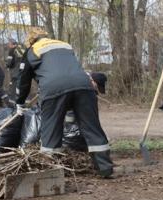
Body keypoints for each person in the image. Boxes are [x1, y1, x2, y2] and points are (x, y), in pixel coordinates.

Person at [15, 27, 114, 178]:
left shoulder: (32, 50)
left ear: (31, 40)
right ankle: (105, 169)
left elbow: (23, 80)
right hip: (84, 84)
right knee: (92, 127)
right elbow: (67, 68)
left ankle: (50, 172)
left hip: (53, 88)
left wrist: (20, 103)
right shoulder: (64, 45)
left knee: (51, 128)